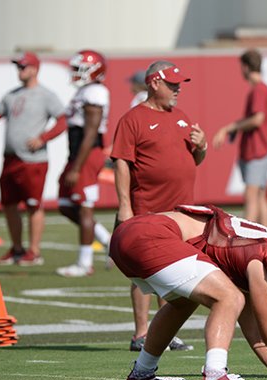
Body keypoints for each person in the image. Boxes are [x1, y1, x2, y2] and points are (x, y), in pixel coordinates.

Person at [110, 204, 267, 380]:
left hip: (129, 234)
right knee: (229, 297)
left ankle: (140, 377)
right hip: (151, 236)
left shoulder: (262, 252)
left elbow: (253, 327)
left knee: (184, 302)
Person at [111, 61, 204, 352]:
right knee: (143, 274)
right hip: (148, 207)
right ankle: (141, 334)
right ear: (154, 84)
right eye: (171, 84)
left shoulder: (181, 116)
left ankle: (165, 334)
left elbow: (193, 161)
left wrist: (201, 146)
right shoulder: (133, 119)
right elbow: (122, 163)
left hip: (180, 211)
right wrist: (125, 206)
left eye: (179, 84)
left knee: (175, 271)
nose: (177, 89)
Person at [0, 52, 66, 266]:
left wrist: (43, 138)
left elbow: (62, 120)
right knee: (9, 204)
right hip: (10, 159)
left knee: (33, 205)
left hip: (33, 160)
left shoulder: (46, 95)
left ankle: (34, 251)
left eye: (23, 67)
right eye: (18, 67)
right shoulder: (11, 95)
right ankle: (17, 248)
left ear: (35, 68)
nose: (20, 71)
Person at [49, 50, 112, 278]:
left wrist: (77, 166)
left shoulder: (95, 92)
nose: (75, 73)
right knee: (66, 205)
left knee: (85, 208)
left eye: (80, 69)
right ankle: (108, 241)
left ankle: (84, 263)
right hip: (77, 155)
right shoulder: (85, 91)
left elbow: (91, 131)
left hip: (87, 154)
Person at [213, 49, 267, 227]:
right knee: (260, 196)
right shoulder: (261, 89)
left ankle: (247, 238)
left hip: (257, 150)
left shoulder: (259, 90)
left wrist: (228, 128)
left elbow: (257, 119)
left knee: (252, 196)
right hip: (259, 149)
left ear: (246, 67)